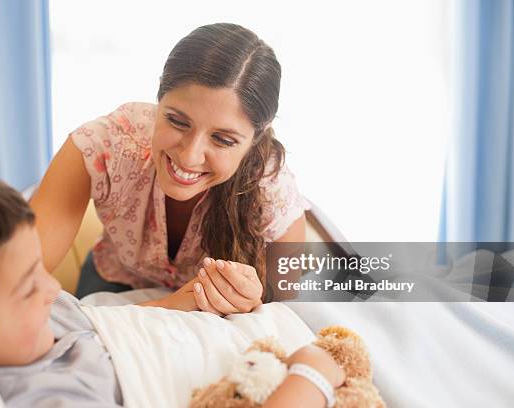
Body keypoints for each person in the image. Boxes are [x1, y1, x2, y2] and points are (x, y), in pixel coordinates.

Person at [0, 165, 344, 407]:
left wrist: (190, 298)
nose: (51, 286)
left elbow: (109, 322)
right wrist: (310, 378)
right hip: (310, 373)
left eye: (40, 266)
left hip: (268, 327)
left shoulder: (41, 314)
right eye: (25, 289)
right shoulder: (43, 397)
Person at [30, 23, 310, 312]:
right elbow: (21, 277)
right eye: (177, 121)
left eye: (223, 139)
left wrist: (258, 295)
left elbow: (283, 297)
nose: (189, 157)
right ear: (159, 99)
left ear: (254, 139)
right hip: (114, 282)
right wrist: (173, 305)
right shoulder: (104, 145)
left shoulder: (271, 188)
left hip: (209, 311)